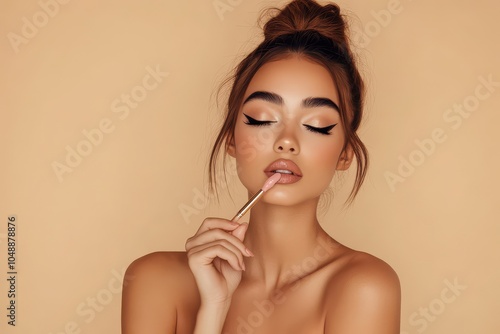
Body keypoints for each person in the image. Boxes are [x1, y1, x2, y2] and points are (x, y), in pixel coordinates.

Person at [121, 0, 401, 333]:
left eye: (317, 125)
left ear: (345, 155)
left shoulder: (363, 288)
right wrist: (213, 309)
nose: (286, 141)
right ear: (231, 140)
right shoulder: (154, 281)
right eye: (262, 119)